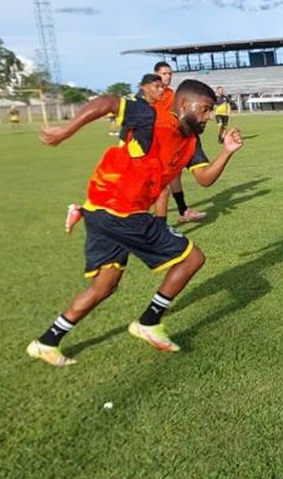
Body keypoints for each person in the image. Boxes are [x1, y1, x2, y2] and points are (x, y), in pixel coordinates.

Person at [27, 79, 244, 366]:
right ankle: (148, 322)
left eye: (210, 111)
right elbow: (106, 102)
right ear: (183, 105)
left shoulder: (191, 142)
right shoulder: (150, 117)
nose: (208, 117)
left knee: (104, 286)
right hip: (121, 213)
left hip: (101, 213)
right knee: (192, 258)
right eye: (204, 110)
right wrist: (65, 131)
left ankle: (46, 341)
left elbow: (204, 179)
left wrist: (227, 152)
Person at [66, 73, 166, 234]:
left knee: (115, 196)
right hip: (135, 161)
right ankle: (158, 230)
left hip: (130, 157)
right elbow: (109, 103)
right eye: (157, 86)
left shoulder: (143, 106)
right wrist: (66, 131)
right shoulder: (142, 107)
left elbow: (128, 129)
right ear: (144, 87)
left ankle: (80, 211)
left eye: (163, 86)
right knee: (132, 201)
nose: (162, 90)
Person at [152, 61, 207, 223]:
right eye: (164, 74)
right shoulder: (149, 95)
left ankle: (182, 211)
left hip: (168, 141)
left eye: (170, 73)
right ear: (156, 74)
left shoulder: (172, 95)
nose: (168, 77)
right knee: (157, 186)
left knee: (173, 174)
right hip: (152, 141)